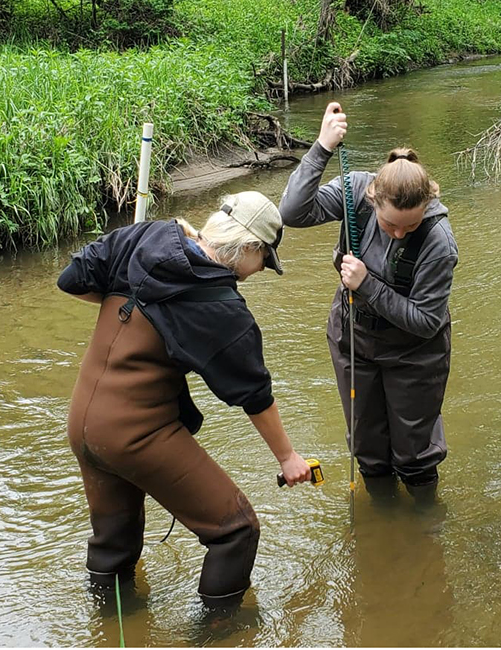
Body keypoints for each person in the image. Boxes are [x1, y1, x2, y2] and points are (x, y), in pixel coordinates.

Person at [57, 191, 312, 609]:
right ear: (249, 247)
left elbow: (72, 279)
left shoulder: (145, 236)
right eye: (264, 260)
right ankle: (217, 633)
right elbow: (254, 393)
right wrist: (287, 458)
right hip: (135, 432)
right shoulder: (222, 306)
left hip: (84, 421)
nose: (260, 270)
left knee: (113, 544)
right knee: (236, 530)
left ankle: (109, 623)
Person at [278, 102, 459, 503]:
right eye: (389, 223)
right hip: (353, 336)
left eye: (409, 225)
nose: (398, 234)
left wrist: (368, 285)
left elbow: (426, 321)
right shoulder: (356, 191)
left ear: (426, 207)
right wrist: (322, 147)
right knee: (367, 444)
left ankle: (424, 522)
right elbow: (292, 212)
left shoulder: (439, 243)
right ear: (373, 199)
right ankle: (383, 519)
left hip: (414, 351)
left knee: (414, 451)